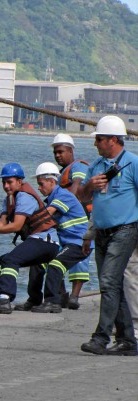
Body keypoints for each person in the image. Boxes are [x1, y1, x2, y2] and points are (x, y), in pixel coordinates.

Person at [78, 115, 138, 356]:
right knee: (114, 285)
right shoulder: (96, 166)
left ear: (113, 140)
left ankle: (101, 337)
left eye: (100, 139)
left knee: (108, 282)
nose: (96, 144)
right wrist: (89, 186)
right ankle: (127, 340)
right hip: (102, 233)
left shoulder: (133, 164)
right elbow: (82, 197)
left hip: (125, 231)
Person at [0, 163, 60, 314]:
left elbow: (16, 226)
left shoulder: (25, 196)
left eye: (9, 182)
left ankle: (5, 300)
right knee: (1, 261)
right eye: (3, 182)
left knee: (11, 260)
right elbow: (3, 222)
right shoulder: (9, 199)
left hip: (46, 242)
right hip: (37, 241)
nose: (6, 186)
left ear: (19, 181)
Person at [17, 162, 91, 313]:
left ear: (52, 181)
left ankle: (52, 302)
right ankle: (34, 299)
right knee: (38, 262)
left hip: (79, 243)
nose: (38, 188)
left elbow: (47, 214)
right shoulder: (52, 197)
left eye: (41, 184)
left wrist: (22, 222)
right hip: (65, 244)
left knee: (56, 265)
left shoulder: (63, 196)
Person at [51, 133, 91, 309]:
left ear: (70, 150)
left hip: (81, 221)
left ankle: (74, 296)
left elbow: (78, 182)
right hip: (65, 225)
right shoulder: (61, 175)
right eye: (55, 153)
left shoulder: (78, 166)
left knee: (80, 258)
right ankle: (62, 293)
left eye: (61, 152)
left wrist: (68, 201)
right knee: (57, 256)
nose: (58, 155)